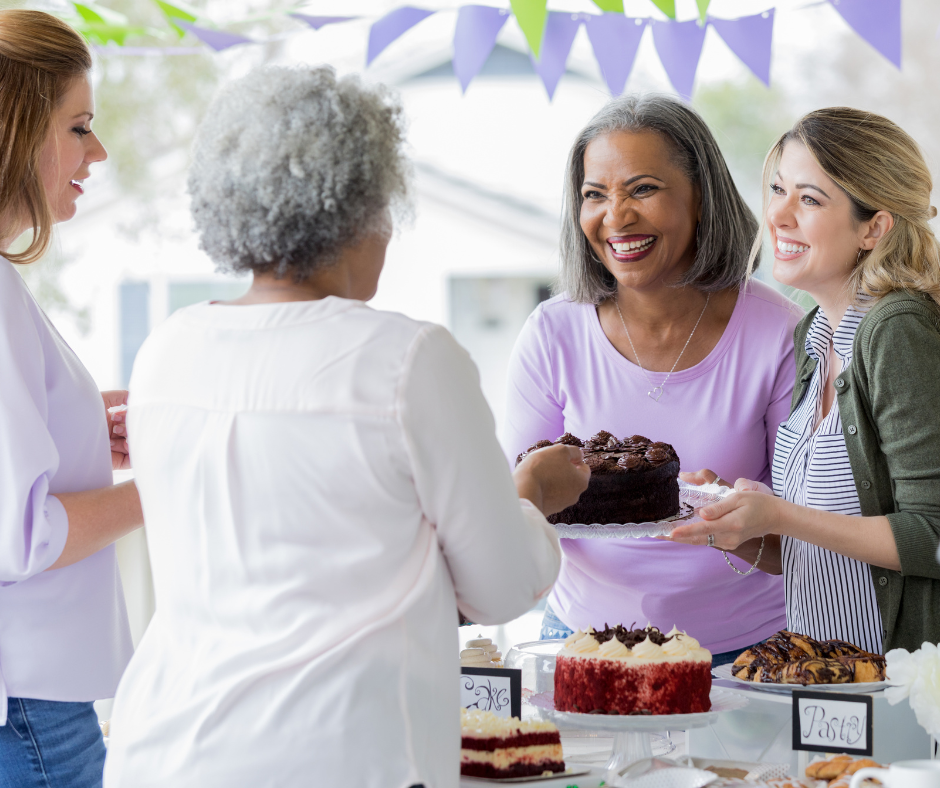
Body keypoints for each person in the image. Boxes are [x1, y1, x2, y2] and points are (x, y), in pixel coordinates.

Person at [103, 65, 588, 788]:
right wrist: (533, 494)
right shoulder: (406, 358)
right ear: (360, 208)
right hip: (339, 757)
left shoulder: (167, 349)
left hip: (163, 751)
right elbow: (500, 587)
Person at [502, 94, 803, 664]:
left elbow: (812, 542)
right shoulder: (552, 332)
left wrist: (731, 525)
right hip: (582, 645)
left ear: (701, 199)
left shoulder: (776, 332)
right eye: (595, 194)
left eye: (642, 188)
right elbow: (509, 517)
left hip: (743, 655)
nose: (615, 216)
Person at [669, 107, 940, 654]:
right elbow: (813, 549)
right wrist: (742, 523)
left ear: (874, 228)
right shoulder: (814, 335)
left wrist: (782, 514)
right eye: (777, 189)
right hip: (823, 685)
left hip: (894, 694)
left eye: (810, 199)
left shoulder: (897, 330)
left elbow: (932, 537)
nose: (779, 215)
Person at [0, 10, 142, 788]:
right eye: (79, 127)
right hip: (29, 707)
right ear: (17, 129)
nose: (99, 151)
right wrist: (167, 486)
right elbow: (23, 536)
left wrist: (87, 423)